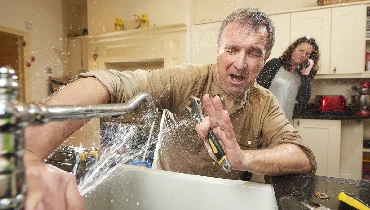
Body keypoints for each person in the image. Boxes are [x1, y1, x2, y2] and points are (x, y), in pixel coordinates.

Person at [24, 8, 316, 210]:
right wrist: (28, 153)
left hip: (225, 201)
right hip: (165, 195)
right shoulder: (186, 80)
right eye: (231, 50)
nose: (240, 63)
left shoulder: (264, 103)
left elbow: (301, 156)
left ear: (264, 61)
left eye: (252, 53)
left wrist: (243, 158)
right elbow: (110, 82)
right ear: (218, 52)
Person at [257, 36, 320, 123]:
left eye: (307, 54)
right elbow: (257, 90)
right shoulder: (275, 64)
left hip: (285, 125)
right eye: (301, 50)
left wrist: (306, 74)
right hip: (264, 122)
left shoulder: (300, 76)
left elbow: (303, 101)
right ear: (293, 49)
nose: (303, 55)